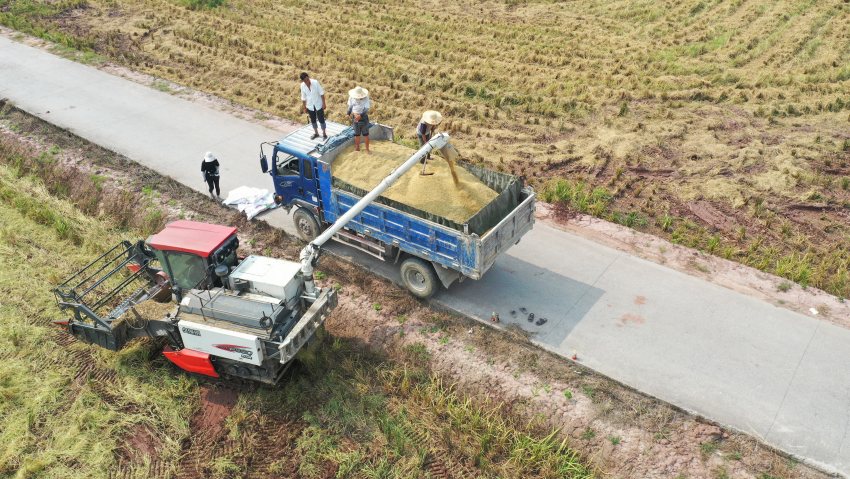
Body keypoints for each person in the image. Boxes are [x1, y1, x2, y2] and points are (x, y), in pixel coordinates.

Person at [299, 72, 327, 140]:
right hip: (310, 105)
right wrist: (304, 107)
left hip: (318, 104)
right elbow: (303, 97)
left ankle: (324, 134)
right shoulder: (302, 85)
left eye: (308, 79)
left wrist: (324, 103)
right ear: (303, 81)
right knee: (313, 120)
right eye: (305, 80)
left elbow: (321, 93)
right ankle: (316, 133)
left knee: (321, 120)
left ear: (308, 77)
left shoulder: (315, 82)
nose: (307, 81)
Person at [347, 86, 371, 152]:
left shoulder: (366, 98)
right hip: (355, 118)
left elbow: (366, 109)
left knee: (366, 134)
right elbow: (350, 106)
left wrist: (360, 115)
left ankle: (367, 149)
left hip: (363, 118)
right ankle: (357, 148)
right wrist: (348, 113)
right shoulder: (351, 97)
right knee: (357, 134)